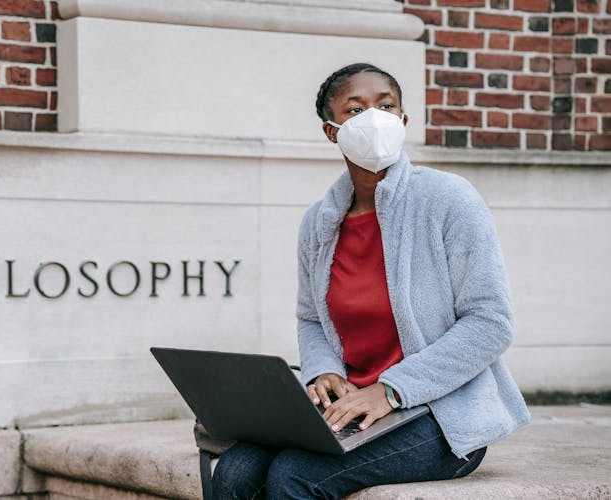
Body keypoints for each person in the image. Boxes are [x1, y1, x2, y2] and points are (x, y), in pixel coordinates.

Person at [211, 63, 530, 499]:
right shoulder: (319, 222)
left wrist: (392, 390)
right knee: (233, 472)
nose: (374, 119)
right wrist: (323, 373)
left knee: (293, 475)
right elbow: (311, 320)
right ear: (331, 131)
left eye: (386, 105)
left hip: (437, 412)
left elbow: (490, 322)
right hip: (351, 408)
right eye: (355, 109)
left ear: (402, 120)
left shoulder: (448, 200)